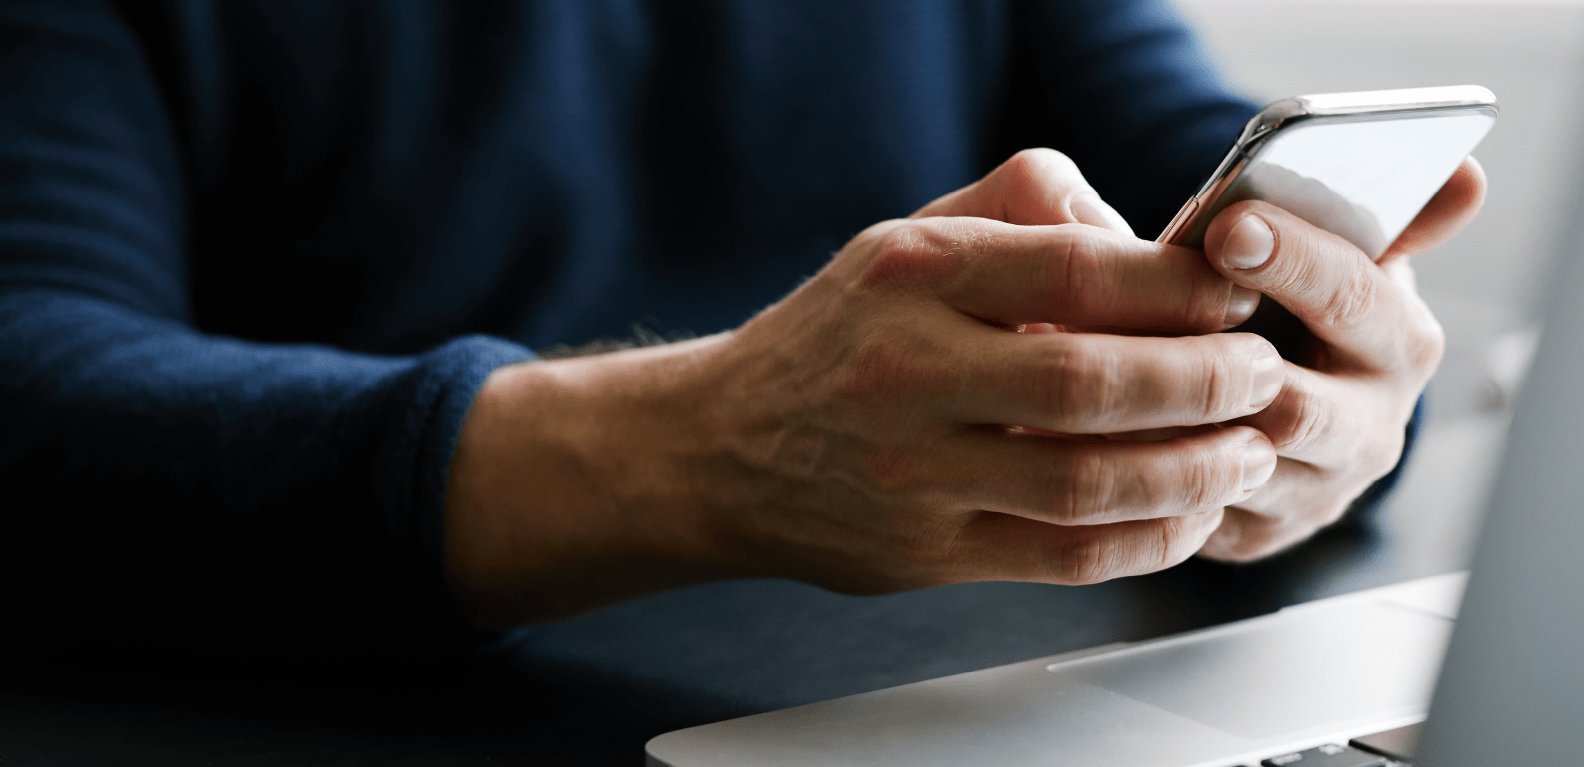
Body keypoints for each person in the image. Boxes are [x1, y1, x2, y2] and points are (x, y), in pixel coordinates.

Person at [0, 0, 1482, 660]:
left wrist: (1324, 378)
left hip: (970, 677)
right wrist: (700, 454)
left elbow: (1179, 156)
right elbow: (36, 384)